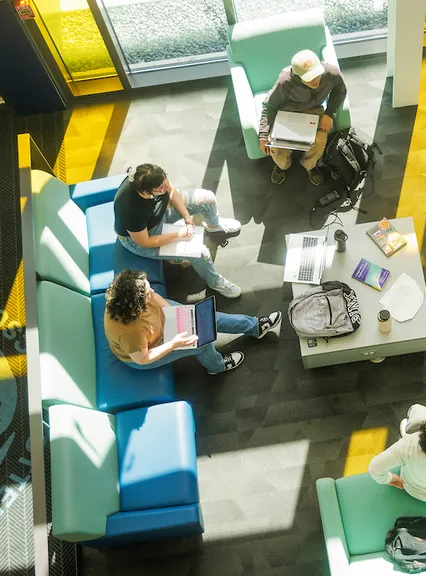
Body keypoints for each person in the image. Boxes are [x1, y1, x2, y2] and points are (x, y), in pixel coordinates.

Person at [103, 269, 281, 374]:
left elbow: (156, 298)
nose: (153, 292)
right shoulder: (131, 334)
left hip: (160, 324)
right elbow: (143, 358)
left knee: (207, 318)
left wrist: (177, 315)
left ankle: (255, 327)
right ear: (136, 305)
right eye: (148, 293)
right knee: (201, 342)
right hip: (150, 348)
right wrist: (174, 343)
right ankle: (217, 366)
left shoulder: (130, 298)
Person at [114, 163, 243, 299]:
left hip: (161, 212)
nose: (165, 187)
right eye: (161, 188)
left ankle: (214, 225)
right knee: (200, 252)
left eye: (165, 181)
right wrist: (179, 234)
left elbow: (171, 191)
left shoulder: (151, 175)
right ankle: (214, 282)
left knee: (207, 198)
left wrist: (187, 217)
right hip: (145, 235)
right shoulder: (130, 210)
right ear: (145, 192)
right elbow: (145, 241)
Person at [258, 49, 348, 187]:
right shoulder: (285, 82)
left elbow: (340, 90)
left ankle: (309, 165)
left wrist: (329, 113)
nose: (315, 81)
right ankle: (281, 166)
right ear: (297, 76)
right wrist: (263, 135)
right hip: (288, 112)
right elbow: (269, 106)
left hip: (314, 110)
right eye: (309, 78)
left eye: (316, 75)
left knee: (319, 141)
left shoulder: (332, 73)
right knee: (278, 145)